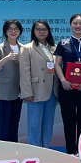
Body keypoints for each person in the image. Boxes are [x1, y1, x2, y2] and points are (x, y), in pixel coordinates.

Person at [54, 13, 81, 155]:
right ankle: (70, 151)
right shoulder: (63, 43)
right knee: (68, 120)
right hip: (66, 88)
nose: (78, 26)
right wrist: (63, 80)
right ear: (70, 25)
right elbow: (57, 64)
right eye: (75, 23)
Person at [19, 20, 58, 148]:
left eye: (44, 29)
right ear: (33, 32)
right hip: (35, 90)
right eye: (38, 29)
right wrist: (26, 92)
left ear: (48, 31)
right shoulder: (27, 48)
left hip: (52, 91)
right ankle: (34, 152)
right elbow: (24, 72)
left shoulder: (54, 48)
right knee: (34, 124)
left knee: (48, 124)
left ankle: (46, 150)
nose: (41, 32)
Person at [0, 19, 24, 142]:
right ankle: (1, 148)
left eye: (16, 29)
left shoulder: (24, 48)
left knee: (15, 121)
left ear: (20, 31)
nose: (13, 31)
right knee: (4, 122)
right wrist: (7, 58)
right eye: (10, 29)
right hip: (5, 91)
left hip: (20, 90)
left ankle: (14, 147)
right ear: (5, 31)